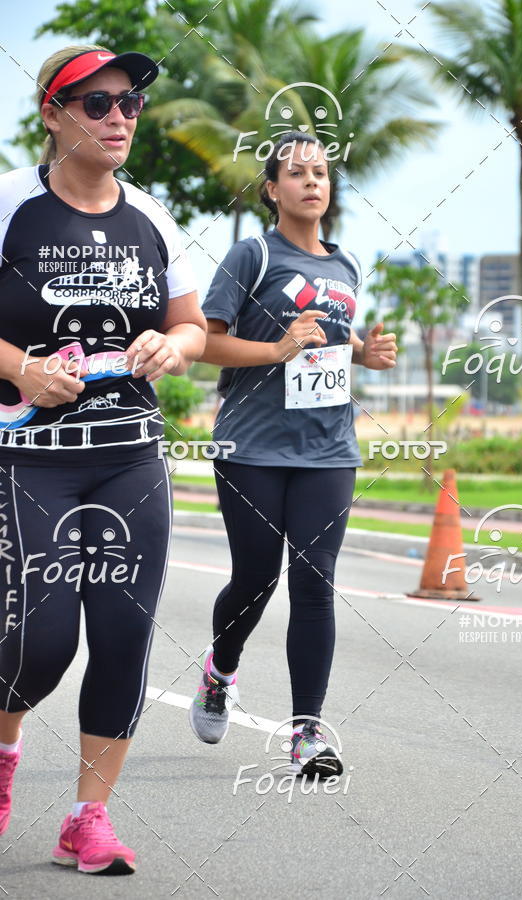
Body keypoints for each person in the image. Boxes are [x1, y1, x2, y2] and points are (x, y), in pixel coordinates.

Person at [0, 45, 206, 874]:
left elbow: (192, 326)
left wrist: (172, 344)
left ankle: (90, 818)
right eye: (98, 103)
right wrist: (22, 369)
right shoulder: (12, 204)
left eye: (131, 104)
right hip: (32, 460)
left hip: (130, 458)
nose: (119, 117)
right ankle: (6, 754)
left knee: (122, 637)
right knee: (38, 644)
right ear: (53, 114)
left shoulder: (151, 215)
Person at [189, 131, 397, 776]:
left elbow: (333, 331)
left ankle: (308, 731)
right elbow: (204, 342)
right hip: (251, 445)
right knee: (256, 579)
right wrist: (276, 349)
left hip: (329, 448)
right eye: (298, 173)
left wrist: (364, 352)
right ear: (273, 189)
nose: (313, 182)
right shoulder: (251, 255)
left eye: (322, 173)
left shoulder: (348, 265)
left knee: (315, 585)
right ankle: (221, 670)